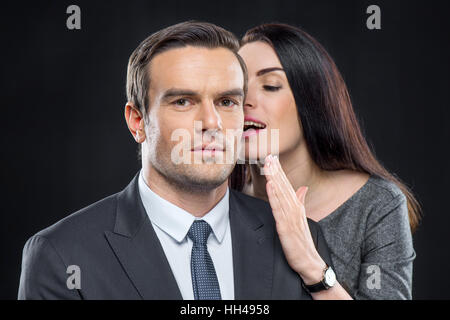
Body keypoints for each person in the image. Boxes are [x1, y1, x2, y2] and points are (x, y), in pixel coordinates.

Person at [18, 21, 335, 300]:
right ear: (137, 121)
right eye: (183, 101)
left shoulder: (301, 240)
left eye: (227, 101)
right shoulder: (61, 255)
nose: (211, 122)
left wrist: (318, 276)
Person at [231, 23, 419, 299]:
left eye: (270, 86)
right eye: (235, 88)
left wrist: (311, 265)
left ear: (312, 101)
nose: (245, 100)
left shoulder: (377, 204)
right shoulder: (216, 203)